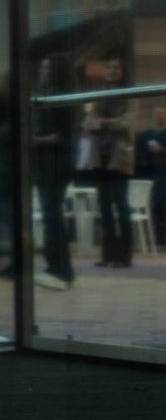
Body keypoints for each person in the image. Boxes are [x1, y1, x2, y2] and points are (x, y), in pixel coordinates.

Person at [82, 56, 135, 268]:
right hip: (100, 158)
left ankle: (124, 256)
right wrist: (107, 123)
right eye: (110, 67)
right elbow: (87, 123)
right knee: (104, 207)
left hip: (119, 158)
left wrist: (102, 122)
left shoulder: (129, 95)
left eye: (116, 67)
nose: (112, 70)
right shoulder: (99, 96)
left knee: (121, 206)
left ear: (123, 72)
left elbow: (126, 123)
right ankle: (108, 255)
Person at [31, 54, 77, 290]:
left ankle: (61, 269)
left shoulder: (62, 99)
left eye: (48, 67)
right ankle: (54, 267)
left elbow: (62, 135)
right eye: (42, 67)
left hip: (57, 162)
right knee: (50, 215)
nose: (43, 71)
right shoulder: (46, 98)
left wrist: (34, 140)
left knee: (52, 214)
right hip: (46, 162)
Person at [135, 106, 166, 246]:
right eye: (156, 114)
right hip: (149, 175)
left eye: (162, 114)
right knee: (152, 207)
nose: (159, 116)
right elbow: (138, 153)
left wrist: (161, 150)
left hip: (164, 175)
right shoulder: (146, 135)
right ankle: (154, 238)